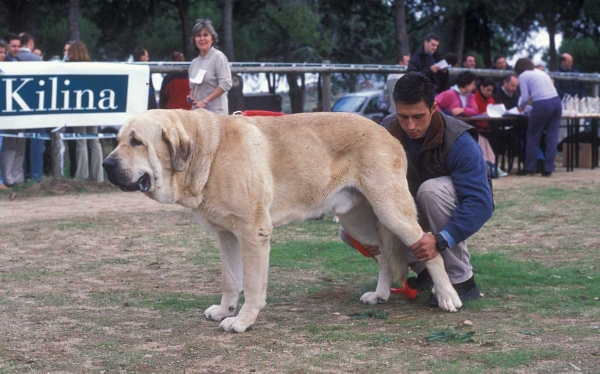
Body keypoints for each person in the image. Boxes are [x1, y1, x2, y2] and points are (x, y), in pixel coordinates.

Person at [341, 72, 493, 305]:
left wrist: (442, 239)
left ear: (434, 107)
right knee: (351, 229)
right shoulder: (387, 130)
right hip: (409, 211)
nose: (411, 126)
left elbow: (480, 203)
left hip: (442, 208)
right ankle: (424, 271)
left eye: (418, 116)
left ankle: (461, 278)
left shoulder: (459, 140)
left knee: (430, 191)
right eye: (403, 117)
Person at [514, 58, 562, 177]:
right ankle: (548, 169)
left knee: (533, 135)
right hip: (556, 102)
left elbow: (525, 97)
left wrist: (521, 107)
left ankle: (530, 168)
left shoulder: (523, 76)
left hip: (542, 104)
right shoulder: (541, 72)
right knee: (552, 136)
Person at [67, 41, 104, 182]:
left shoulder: (70, 68)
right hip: (93, 108)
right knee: (94, 141)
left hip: (78, 108)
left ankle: (82, 175)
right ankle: (98, 176)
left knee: (81, 141)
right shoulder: (92, 67)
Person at [187, 19, 232, 114]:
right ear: (194, 39)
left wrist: (205, 101)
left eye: (205, 35)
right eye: (198, 35)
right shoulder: (194, 63)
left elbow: (226, 84)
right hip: (198, 114)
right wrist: (191, 97)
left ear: (212, 38)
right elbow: (193, 88)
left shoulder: (218, 57)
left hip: (216, 114)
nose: (202, 38)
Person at [18, 32, 45, 183]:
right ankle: (35, 176)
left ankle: (20, 175)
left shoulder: (13, 59)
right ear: (30, 43)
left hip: (18, 109)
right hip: (36, 107)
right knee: (36, 143)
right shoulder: (37, 60)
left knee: (18, 143)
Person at [0, 36, 26, 188]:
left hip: (11, 114)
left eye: (3, 53)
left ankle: (13, 178)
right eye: (0, 53)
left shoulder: (13, 67)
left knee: (15, 146)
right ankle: (6, 179)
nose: (2, 55)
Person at [473, 78, 505, 174]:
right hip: (477, 127)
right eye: (488, 90)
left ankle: (493, 164)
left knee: (498, 136)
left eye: (491, 91)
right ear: (482, 87)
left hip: (488, 127)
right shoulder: (474, 97)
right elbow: (473, 113)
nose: (490, 93)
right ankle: (489, 165)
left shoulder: (490, 99)